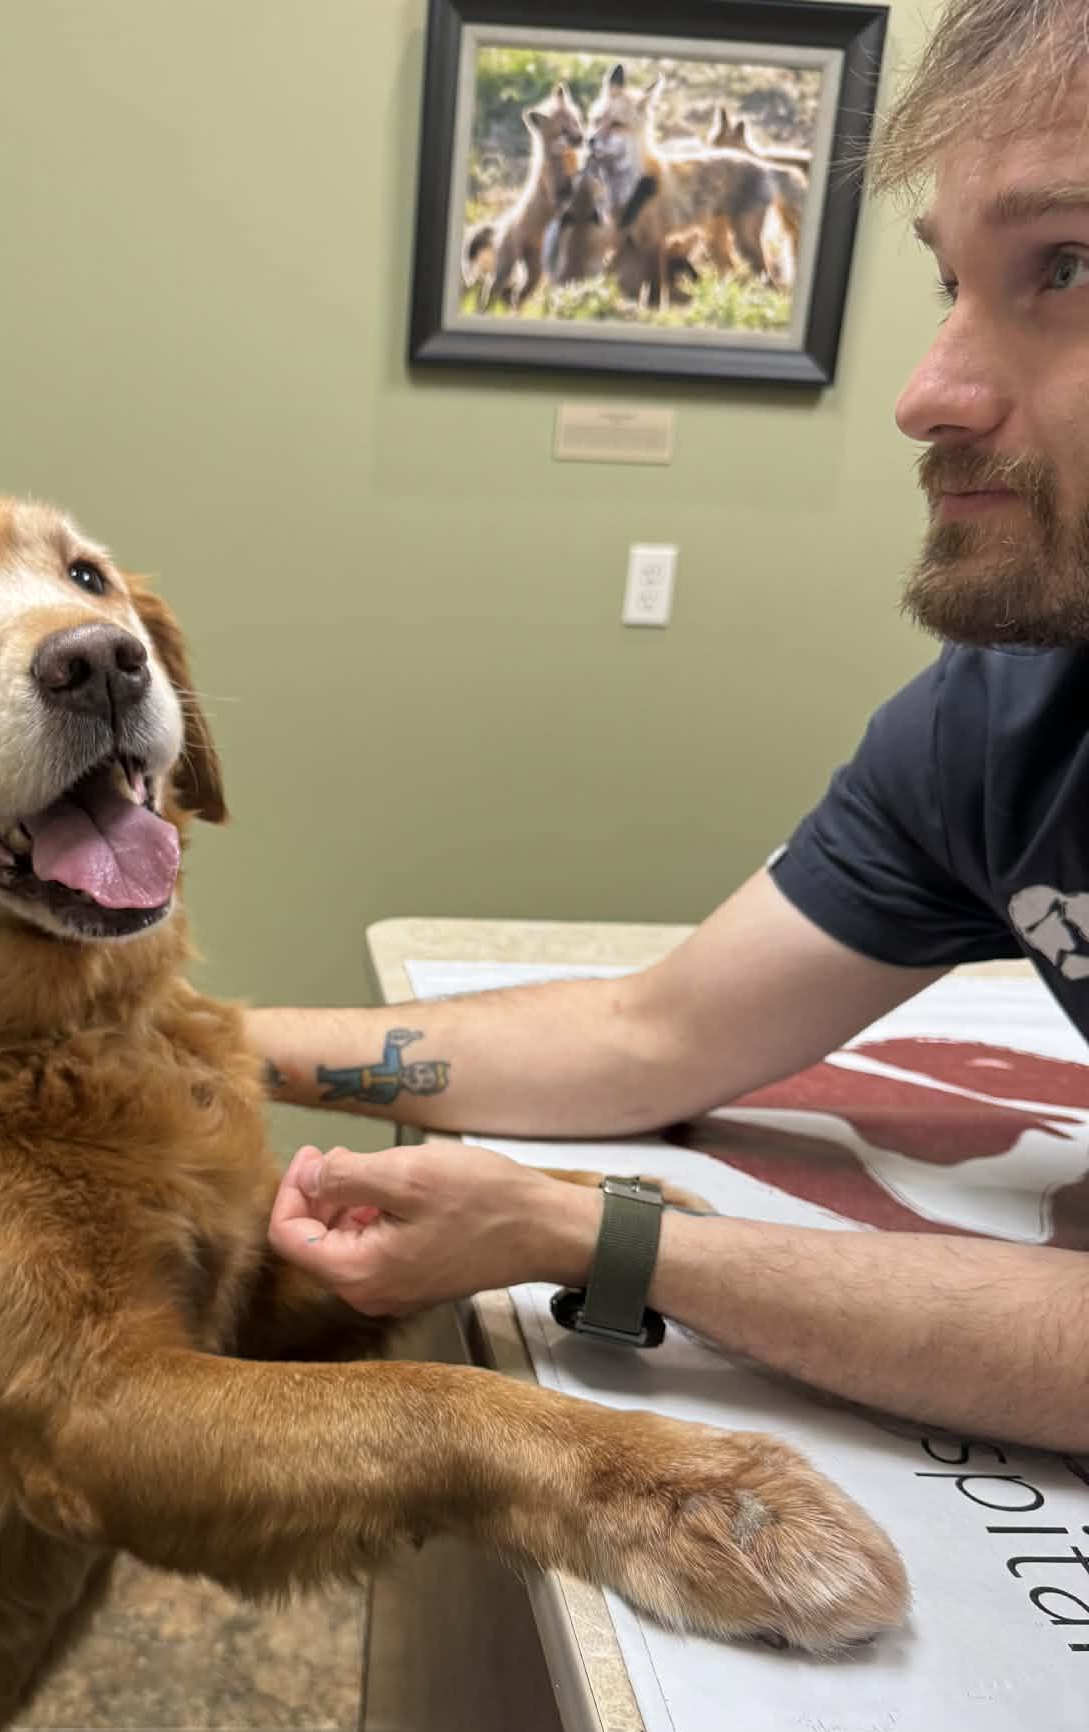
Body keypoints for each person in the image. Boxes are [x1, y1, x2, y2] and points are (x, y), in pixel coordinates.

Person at [256, 0, 1089, 1457]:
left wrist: (590, 1236)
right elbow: (655, 1036)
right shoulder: (1000, 724)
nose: (925, 395)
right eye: (950, 283)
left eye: (1068, 269)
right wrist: (197, 1045)